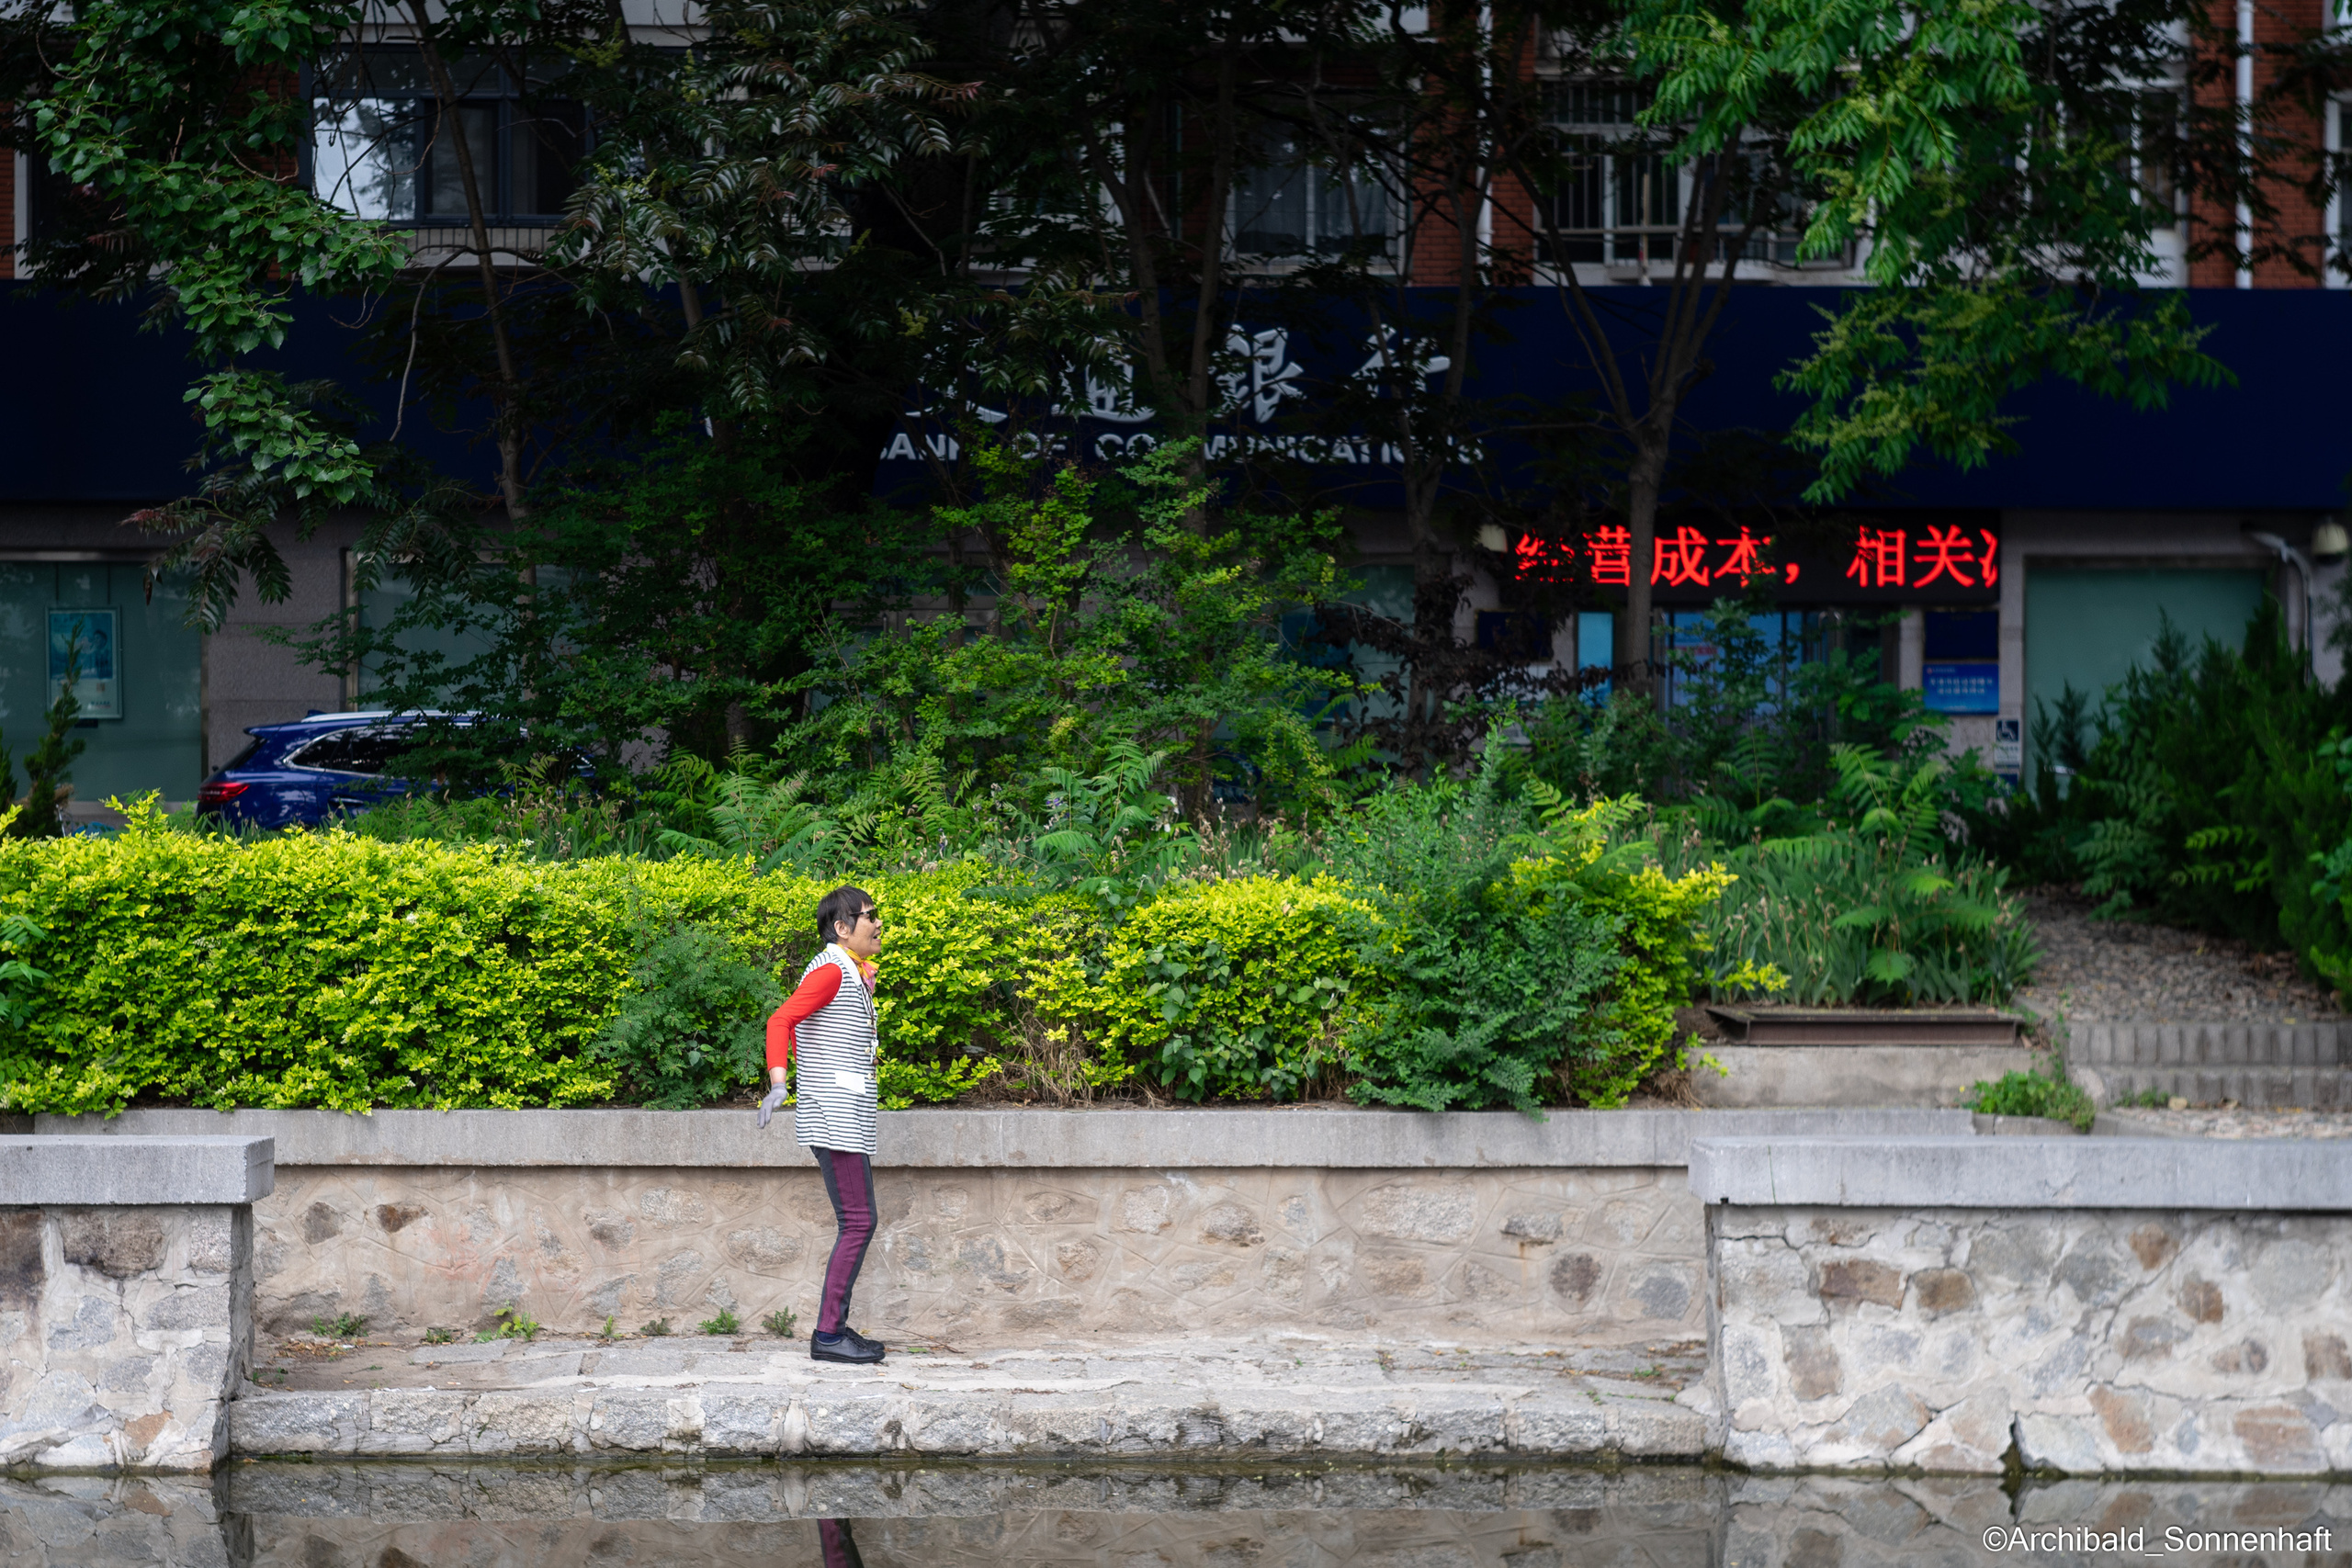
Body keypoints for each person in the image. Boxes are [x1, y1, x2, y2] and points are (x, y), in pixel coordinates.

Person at [758, 885, 886, 1365]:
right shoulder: (833, 971)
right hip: (834, 1115)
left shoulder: (846, 971)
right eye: (869, 916)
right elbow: (779, 1021)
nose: (877, 924)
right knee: (858, 1222)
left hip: (841, 1112)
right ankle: (829, 1335)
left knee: (857, 1220)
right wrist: (778, 1083)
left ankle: (834, 1329)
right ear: (842, 928)